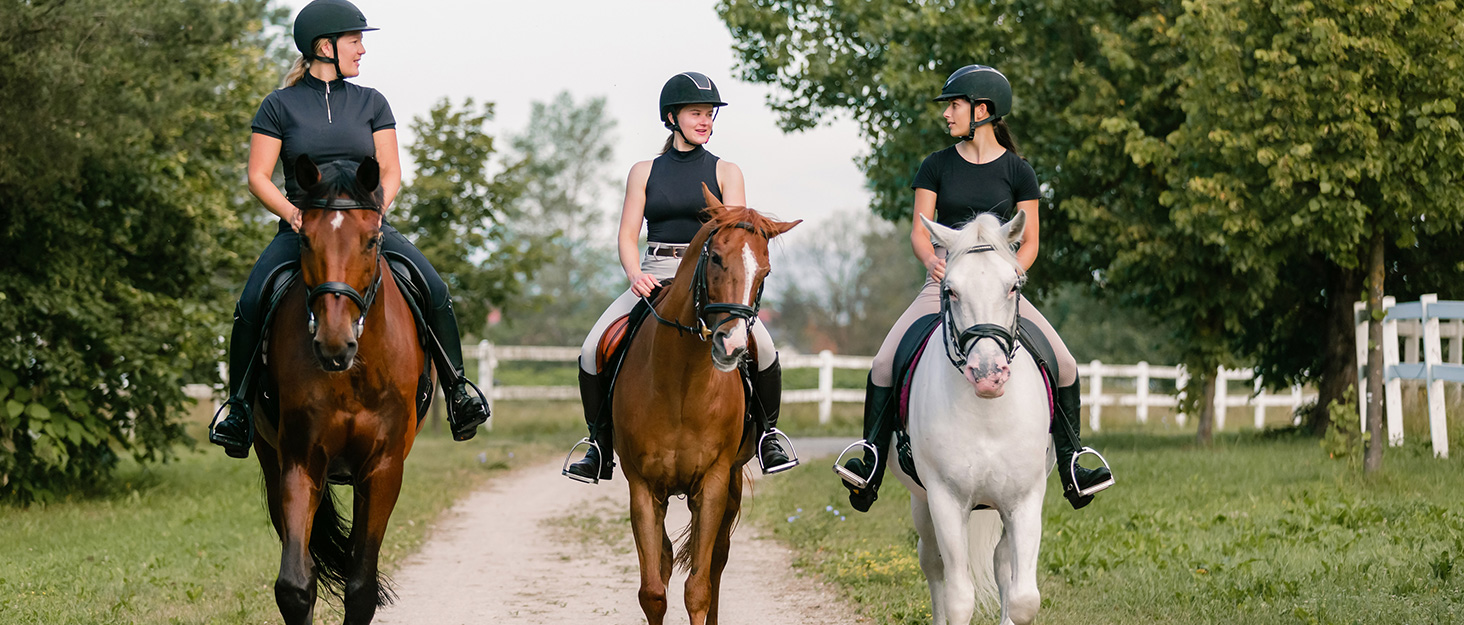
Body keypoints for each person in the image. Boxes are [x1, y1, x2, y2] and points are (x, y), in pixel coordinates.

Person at [208, 0, 490, 458]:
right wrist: (294, 214)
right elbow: (258, 175)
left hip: (366, 226)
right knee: (250, 302)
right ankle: (238, 409)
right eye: (354, 40)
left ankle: (458, 391)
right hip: (304, 229)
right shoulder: (278, 105)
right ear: (325, 46)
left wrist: (375, 214)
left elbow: (391, 170)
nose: (362, 50)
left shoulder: (372, 102)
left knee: (435, 290)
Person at [835, 65, 1113, 511]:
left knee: (1065, 364)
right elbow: (920, 232)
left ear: (982, 110)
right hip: (944, 285)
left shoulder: (1019, 172)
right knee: (884, 363)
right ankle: (868, 462)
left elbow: (1032, 240)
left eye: (955, 105)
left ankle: (1072, 462)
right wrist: (932, 263)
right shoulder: (936, 165)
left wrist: (1011, 278)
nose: (947, 114)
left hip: (1002, 291)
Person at [562, 72, 795, 483]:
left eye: (709, 114)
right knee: (590, 348)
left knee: (765, 347)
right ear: (672, 118)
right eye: (696, 113)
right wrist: (634, 274)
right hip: (654, 273)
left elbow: (737, 235)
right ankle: (599, 445)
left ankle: (768, 437)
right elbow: (626, 233)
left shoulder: (727, 171)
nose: (705, 121)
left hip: (711, 278)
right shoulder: (644, 171)